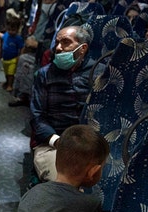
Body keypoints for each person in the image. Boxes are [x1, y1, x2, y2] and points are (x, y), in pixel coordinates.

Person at [30, 25, 103, 182]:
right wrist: (57, 141)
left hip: (91, 144)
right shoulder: (45, 74)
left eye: (65, 42)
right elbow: (37, 116)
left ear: (82, 49)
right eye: (57, 43)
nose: (58, 48)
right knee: (66, 184)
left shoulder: (100, 74)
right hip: (53, 143)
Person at [0, 17, 24, 92]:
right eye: (9, 30)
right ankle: (7, 82)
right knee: (6, 72)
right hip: (5, 58)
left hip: (13, 59)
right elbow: (1, 36)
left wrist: (20, 56)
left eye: (13, 30)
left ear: (18, 29)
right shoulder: (7, 35)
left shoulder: (18, 38)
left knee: (11, 74)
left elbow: (21, 47)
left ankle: (10, 85)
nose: (11, 32)